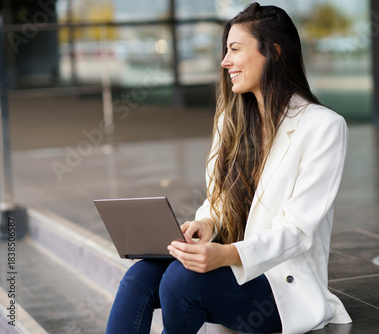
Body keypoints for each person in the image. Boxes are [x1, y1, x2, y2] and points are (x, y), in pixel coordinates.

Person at [106, 3, 352, 334]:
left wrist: (226, 255)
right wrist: (207, 223)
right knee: (141, 275)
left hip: (279, 285)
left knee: (181, 282)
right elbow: (218, 198)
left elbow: (296, 232)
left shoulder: (323, 126)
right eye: (225, 50)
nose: (225, 61)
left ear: (274, 53)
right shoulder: (230, 121)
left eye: (235, 49)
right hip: (228, 258)